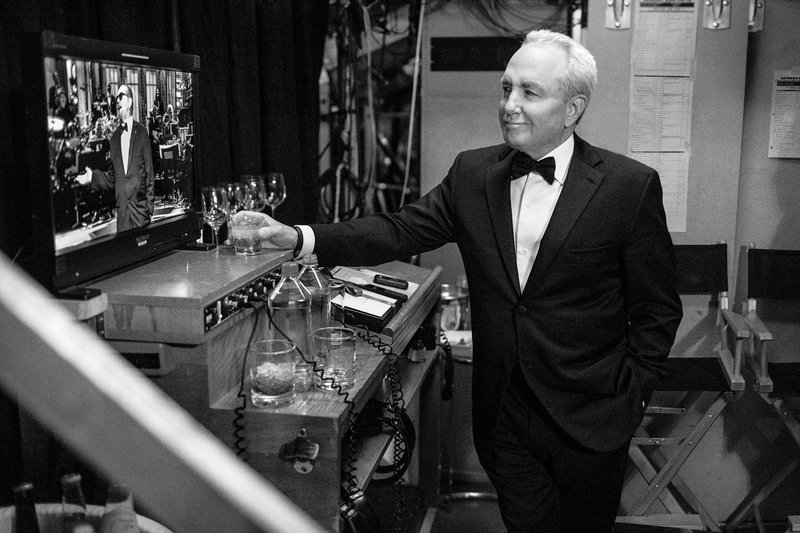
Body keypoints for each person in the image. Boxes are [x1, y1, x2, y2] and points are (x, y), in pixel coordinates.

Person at [259, 29, 683, 533]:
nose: (510, 105)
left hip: (592, 415)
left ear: (573, 109)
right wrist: (299, 237)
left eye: (530, 92)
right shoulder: (473, 173)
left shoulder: (628, 187)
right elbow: (397, 230)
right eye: (506, 89)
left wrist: (632, 395)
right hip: (505, 412)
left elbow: (658, 308)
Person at [76, 84, 154, 232]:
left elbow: (149, 172)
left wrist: (149, 206)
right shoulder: (113, 139)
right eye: (116, 98)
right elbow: (113, 178)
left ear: (130, 102)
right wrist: (91, 177)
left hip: (141, 211)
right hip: (123, 213)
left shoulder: (142, 132)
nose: (117, 100)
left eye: (121, 96)